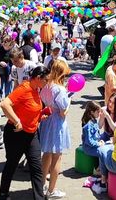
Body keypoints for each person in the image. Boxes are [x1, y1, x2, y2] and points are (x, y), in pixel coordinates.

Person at [0, 65, 50, 200]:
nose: (47, 82)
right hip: (16, 134)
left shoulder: (36, 89)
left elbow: (28, 109)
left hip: (32, 134)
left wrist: (39, 116)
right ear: (38, 78)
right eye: (46, 80)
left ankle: (39, 197)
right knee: (12, 164)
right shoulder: (24, 88)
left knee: (36, 167)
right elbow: (4, 104)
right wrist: (16, 121)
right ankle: (3, 194)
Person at [40, 60, 72, 199]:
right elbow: (63, 112)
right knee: (57, 158)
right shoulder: (60, 89)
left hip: (46, 120)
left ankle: (40, 186)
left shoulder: (46, 85)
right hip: (57, 122)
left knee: (46, 155)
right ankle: (51, 190)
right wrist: (69, 101)